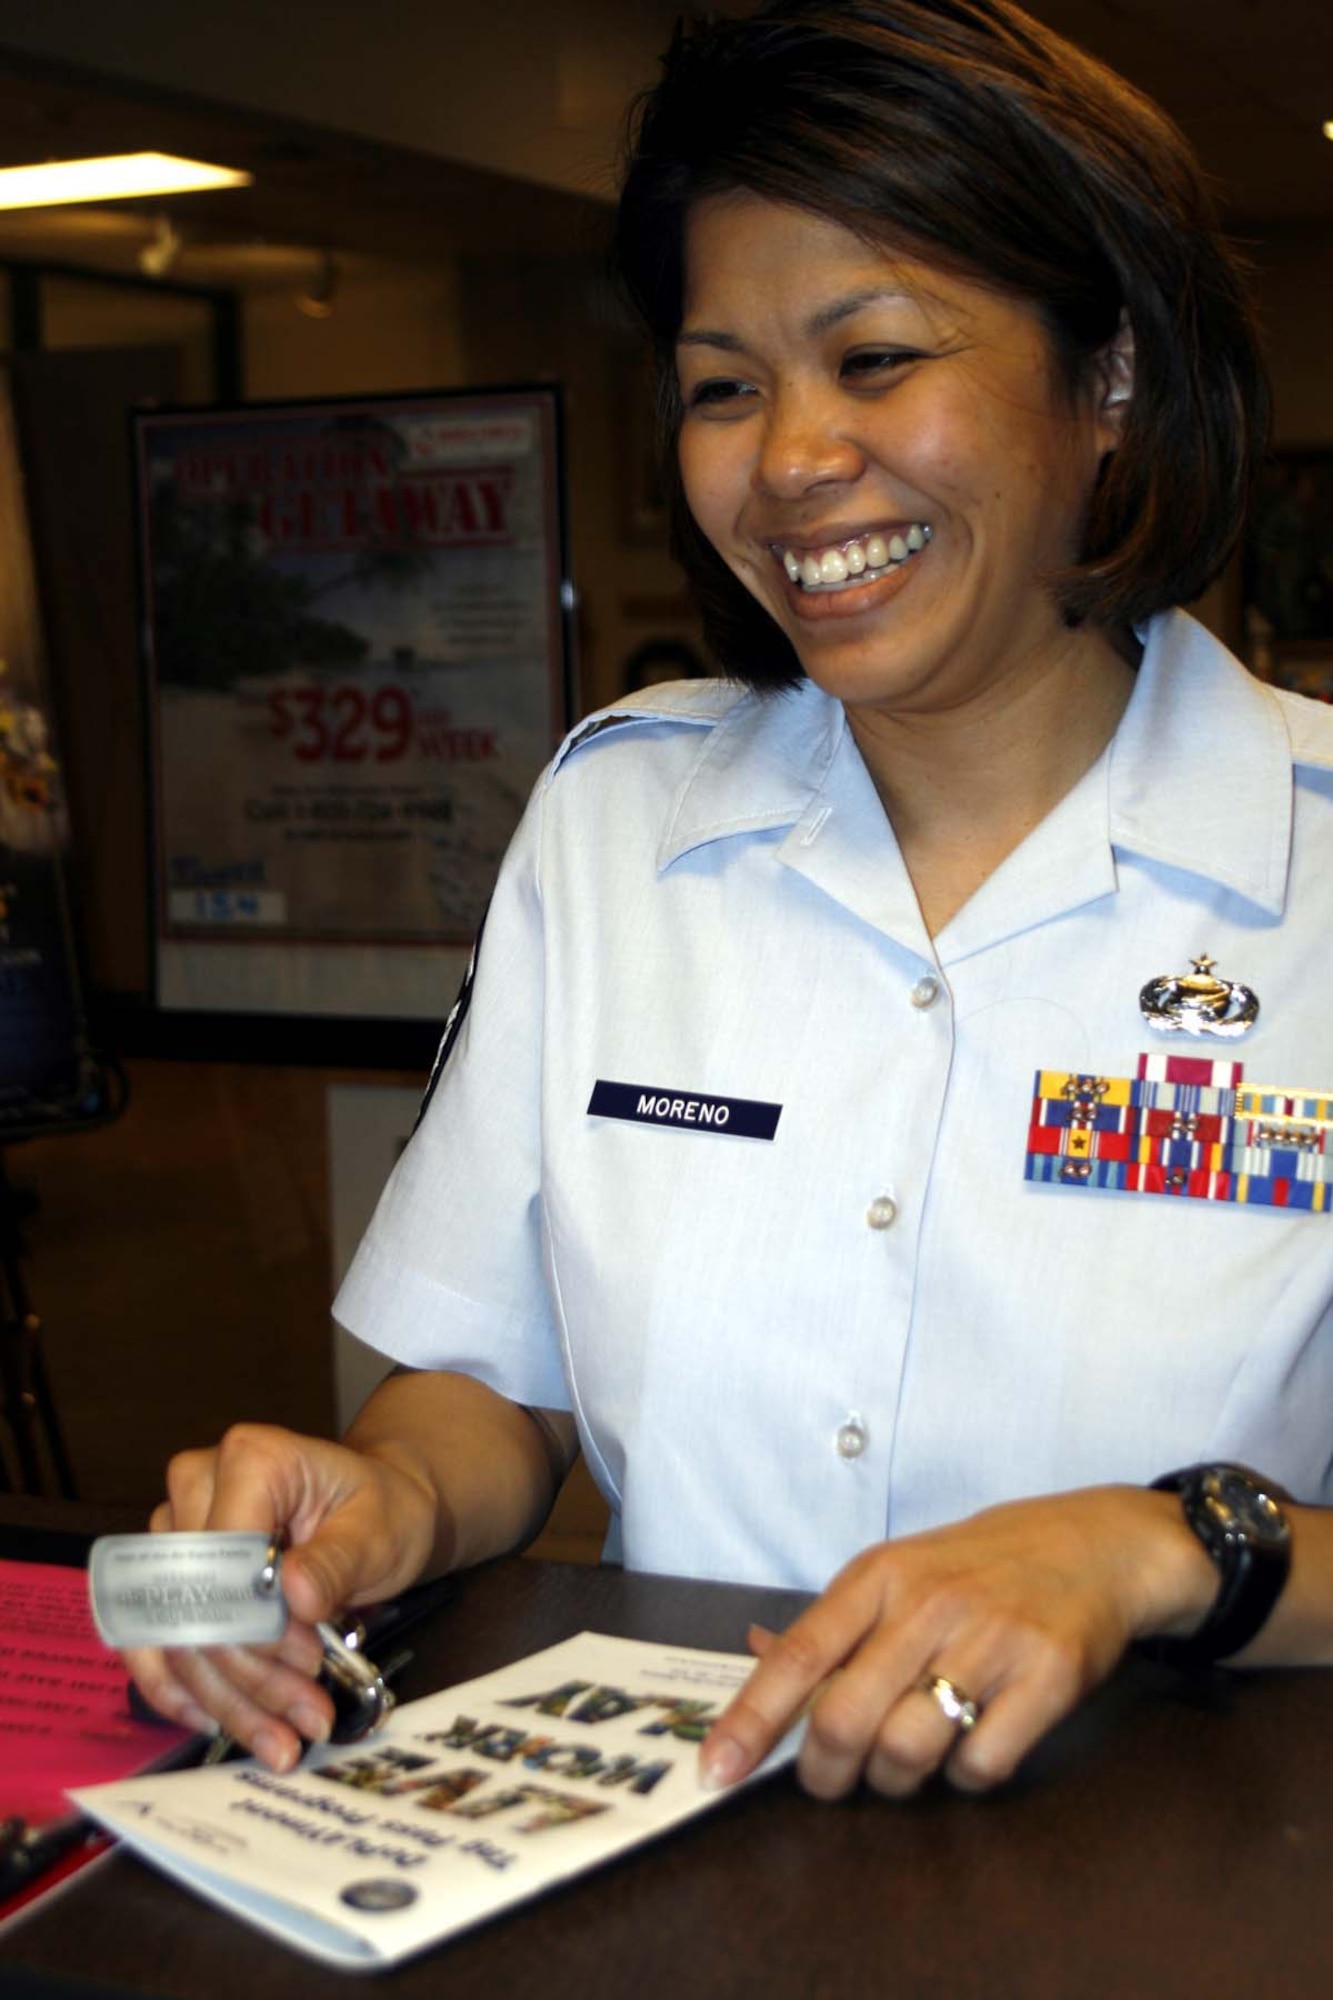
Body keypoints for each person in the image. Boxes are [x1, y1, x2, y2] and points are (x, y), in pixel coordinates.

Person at [129, 0, 1333, 1802]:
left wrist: (1164, 1549)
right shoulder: (620, 824)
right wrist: (382, 1497)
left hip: (1181, 1883)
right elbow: (493, 1389)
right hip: (672, 1859)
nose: (785, 462)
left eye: (871, 358)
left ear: (1110, 383)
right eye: (720, 384)